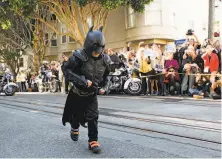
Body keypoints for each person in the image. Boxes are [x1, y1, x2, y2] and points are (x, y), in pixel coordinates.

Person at [62, 26, 111, 154]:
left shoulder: (105, 60)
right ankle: (74, 126)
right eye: (94, 51)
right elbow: (66, 71)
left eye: (99, 51)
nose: (97, 53)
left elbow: (107, 77)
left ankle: (93, 140)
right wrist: (83, 81)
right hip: (77, 93)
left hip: (91, 94)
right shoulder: (78, 57)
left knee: (93, 116)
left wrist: (104, 87)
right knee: (76, 116)